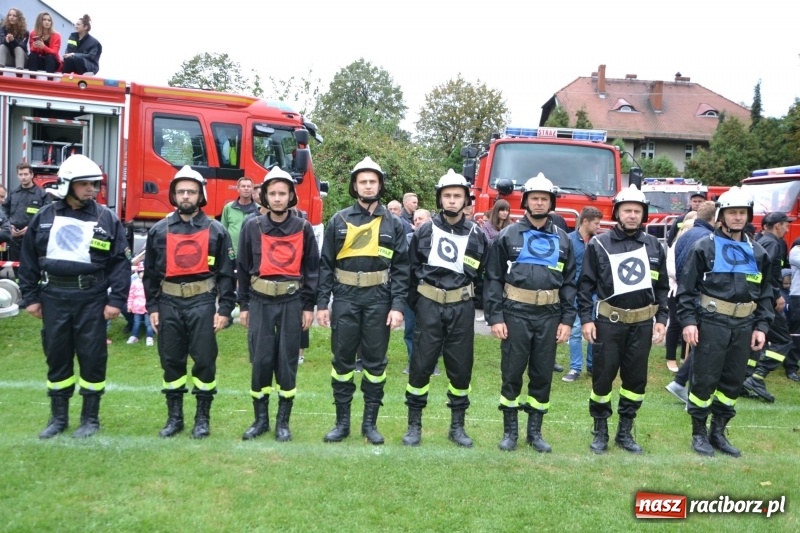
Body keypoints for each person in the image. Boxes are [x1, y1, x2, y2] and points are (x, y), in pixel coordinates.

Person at [18, 154, 131, 439]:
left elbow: (120, 263)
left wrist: (116, 301)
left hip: (91, 299)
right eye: (84, 184)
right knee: (57, 357)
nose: (91, 189)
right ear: (67, 184)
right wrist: (30, 297)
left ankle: (90, 419)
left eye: (94, 184)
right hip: (53, 298)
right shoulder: (45, 217)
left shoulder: (107, 219)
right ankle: (58, 418)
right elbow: (29, 259)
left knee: (92, 358)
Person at [316, 156, 409, 445]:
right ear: (354, 186)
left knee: (375, 363)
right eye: (362, 181)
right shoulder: (338, 220)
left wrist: (397, 307)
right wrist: (322, 304)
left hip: (379, 300)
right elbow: (325, 265)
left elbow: (402, 269)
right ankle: (341, 423)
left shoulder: (394, 223)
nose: (368, 186)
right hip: (345, 298)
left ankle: (370, 424)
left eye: (373, 181)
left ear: (380, 185)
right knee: (342, 361)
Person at [677, 188, 773, 457]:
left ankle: (718, 432)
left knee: (733, 381)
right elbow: (687, 289)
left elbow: (766, 293)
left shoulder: (758, 252)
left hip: (744, 325)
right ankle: (699, 433)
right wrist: (688, 322)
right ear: (721, 216)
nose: (738, 217)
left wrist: (762, 326)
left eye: (742, 213)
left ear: (748, 216)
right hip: (711, 323)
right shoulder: (704, 247)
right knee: (705, 379)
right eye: (732, 213)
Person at [485, 173, 577, 453]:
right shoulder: (508, 235)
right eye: (534, 198)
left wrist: (567, 320)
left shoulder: (563, 239)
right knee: (512, 372)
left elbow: (570, 282)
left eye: (544, 199)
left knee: (542, 374)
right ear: (526, 201)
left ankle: (535, 432)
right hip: (515, 313)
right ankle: (510, 432)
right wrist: (496, 317)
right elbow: (493, 278)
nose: (539, 203)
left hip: (549, 315)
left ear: (551, 203)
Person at [143, 165, 236, 439]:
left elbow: (227, 274)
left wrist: (224, 309)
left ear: (201, 195)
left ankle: (202, 418)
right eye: (181, 191)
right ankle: (175, 418)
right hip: (168, 303)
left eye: (191, 192)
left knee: (204, 361)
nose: (186, 196)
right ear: (174, 195)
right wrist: (153, 307)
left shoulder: (217, 231)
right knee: (171, 361)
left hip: (202, 303)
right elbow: (150, 274)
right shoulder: (158, 231)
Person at [402, 170, 488, 447]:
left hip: (461, 308)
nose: (452, 200)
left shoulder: (477, 234)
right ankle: (414, 425)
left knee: (461, 369)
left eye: (457, 196)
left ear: (466, 200)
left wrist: (472, 303)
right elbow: (411, 270)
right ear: (440, 199)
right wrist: (420, 304)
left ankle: (457, 427)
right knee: (420, 366)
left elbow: (484, 276)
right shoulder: (424, 230)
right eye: (447, 195)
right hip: (428, 307)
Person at [579, 185, 668, 455]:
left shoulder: (655, 246)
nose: (632, 215)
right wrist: (586, 319)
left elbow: (662, 287)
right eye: (627, 210)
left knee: (635, 381)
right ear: (617, 213)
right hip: (609, 323)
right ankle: (600, 430)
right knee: (602, 378)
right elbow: (585, 285)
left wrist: (662, 318)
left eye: (637, 211)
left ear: (644, 214)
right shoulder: (599, 244)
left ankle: (625, 432)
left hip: (642, 324)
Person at [236, 167, 319, 442]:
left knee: (286, 361)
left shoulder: (303, 228)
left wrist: (308, 306)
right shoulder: (252, 226)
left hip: (292, 302)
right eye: (272, 193)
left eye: (282, 193)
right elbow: (243, 266)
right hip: (259, 302)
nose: (277, 198)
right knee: (260, 360)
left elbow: (312, 269)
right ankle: (260, 420)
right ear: (265, 197)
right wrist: (244, 305)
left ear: (291, 196)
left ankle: (283, 423)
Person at [743, 212, 799, 401]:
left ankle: (744, 378)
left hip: (758, 299)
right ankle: (757, 377)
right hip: (766, 301)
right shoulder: (771, 243)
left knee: (755, 341)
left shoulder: (763, 241)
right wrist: (776, 296)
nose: (787, 229)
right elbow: (764, 274)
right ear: (777, 225)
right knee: (783, 340)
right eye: (786, 225)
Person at [665, 201, 717, 404]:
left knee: (701, 344)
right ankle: (684, 386)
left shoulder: (686, 235)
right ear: (715, 218)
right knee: (705, 346)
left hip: (686, 293)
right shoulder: (707, 238)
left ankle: (680, 382)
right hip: (700, 297)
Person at [563, 206, 602, 383]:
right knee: (576, 329)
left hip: (595, 293)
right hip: (574, 291)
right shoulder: (568, 240)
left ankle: (593, 366)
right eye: (596, 223)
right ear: (585, 221)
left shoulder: (599, 242)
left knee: (594, 329)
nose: (599, 226)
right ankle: (575, 368)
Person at [665, 210, 697, 372]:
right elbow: (671, 270)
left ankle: (686, 357)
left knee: (690, 323)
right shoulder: (676, 244)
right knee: (675, 323)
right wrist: (688, 279)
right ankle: (670, 358)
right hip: (676, 290)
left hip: (692, 291)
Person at [402, 208, 432, 375]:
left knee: (430, 330)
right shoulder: (407, 239)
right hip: (411, 291)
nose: (418, 222)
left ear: (430, 220)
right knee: (410, 329)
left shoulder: (438, 240)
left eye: (421, 218)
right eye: (415, 219)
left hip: (432, 291)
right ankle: (412, 361)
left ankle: (431, 364)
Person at [3, 163, 50, 265]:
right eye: (20, 174)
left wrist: (31, 228)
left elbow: (47, 216)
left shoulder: (42, 194)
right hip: (14, 239)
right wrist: (9, 226)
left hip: (32, 238)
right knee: (15, 266)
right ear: (17, 175)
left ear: (32, 175)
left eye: (25, 174)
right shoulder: (13, 193)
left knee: (30, 266)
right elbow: (4, 210)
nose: (23, 177)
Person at [221, 177, 257, 258]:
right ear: (238, 189)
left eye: (249, 186)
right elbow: (224, 230)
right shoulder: (228, 208)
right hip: (231, 254)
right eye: (243, 186)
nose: (246, 188)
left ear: (252, 189)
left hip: (250, 255)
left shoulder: (258, 209)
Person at [126, 262, 154, 346]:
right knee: (136, 323)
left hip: (147, 308)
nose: (143, 274)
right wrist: (129, 306)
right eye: (141, 272)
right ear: (138, 273)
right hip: (137, 308)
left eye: (145, 272)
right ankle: (134, 336)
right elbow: (131, 295)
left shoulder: (150, 283)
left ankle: (149, 337)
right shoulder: (134, 283)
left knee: (148, 323)